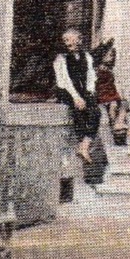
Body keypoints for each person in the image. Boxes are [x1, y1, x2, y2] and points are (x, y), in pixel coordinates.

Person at [53, 28, 100, 166]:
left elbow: (91, 76)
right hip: (66, 90)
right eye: (65, 40)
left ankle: (84, 145)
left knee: (95, 112)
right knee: (78, 111)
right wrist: (75, 97)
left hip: (82, 89)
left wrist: (90, 92)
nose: (67, 42)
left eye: (70, 39)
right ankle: (82, 146)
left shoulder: (87, 56)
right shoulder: (61, 58)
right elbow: (64, 80)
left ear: (79, 40)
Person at [93, 38, 128, 144]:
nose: (112, 57)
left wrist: (120, 95)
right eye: (109, 55)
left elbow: (113, 84)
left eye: (113, 55)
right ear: (102, 56)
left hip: (110, 94)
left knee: (124, 104)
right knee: (113, 106)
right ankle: (116, 125)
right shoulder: (98, 70)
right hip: (103, 94)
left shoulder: (109, 70)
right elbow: (97, 85)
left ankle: (119, 126)